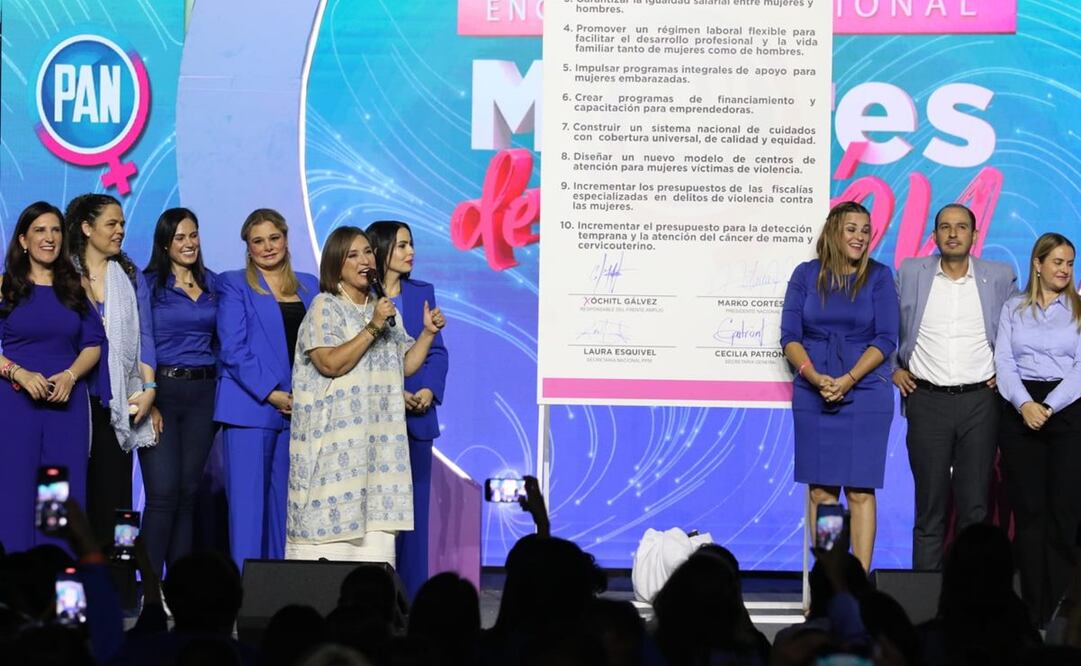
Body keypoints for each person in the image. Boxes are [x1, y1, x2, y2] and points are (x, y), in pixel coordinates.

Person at [285, 226, 446, 566]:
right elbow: (329, 363)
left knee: (374, 565)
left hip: (378, 456)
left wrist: (428, 335)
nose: (363, 260)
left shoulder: (384, 309)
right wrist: (372, 327)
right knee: (326, 567)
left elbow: (405, 364)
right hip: (334, 456)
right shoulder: (324, 306)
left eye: (367, 253)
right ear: (335, 264)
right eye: (352, 255)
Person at [892, 203, 1017, 571]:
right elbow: (884, 324)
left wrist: (1006, 372)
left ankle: (972, 598)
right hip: (926, 399)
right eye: (945, 227)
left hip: (981, 400)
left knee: (974, 508)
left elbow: (1016, 331)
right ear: (934, 236)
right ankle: (925, 603)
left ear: (975, 236)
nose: (952, 233)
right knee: (929, 509)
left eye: (961, 227)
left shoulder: (999, 276)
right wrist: (893, 368)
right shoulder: (911, 272)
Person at [780, 200, 899, 571]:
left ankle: (859, 585)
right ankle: (830, 579)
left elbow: (886, 338)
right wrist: (815, 378)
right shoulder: (805, 275)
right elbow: (789, 337)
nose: (860, 237)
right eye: (852, 229)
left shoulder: (879, 277)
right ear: (834, 231)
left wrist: (848, 380)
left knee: (861, 490)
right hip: (814, 392)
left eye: (866, 230)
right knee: (823, 492)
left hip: (865, 393)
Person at [215, 208, 318, 568]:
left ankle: (276, 596)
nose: (268, 247)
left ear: (286, 239)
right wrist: (273, 392)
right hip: (251, 409)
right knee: (248, 512)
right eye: (258, 241)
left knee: (285, 512)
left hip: (301, 410)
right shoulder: (234, 283)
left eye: (274, 238)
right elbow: (233, 347)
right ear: (248, 247)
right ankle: (245, 599)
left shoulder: (310, 285)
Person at [0, 202, 104, 553]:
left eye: (56, 230)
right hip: (15, 405)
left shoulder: (73, 285)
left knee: (58, 499)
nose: (50, 237)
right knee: (14, 491)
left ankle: (61, 593)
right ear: (23, 240)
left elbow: (93, 344)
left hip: (65, 406)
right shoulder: (6, 287)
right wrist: (17, 372)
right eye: (40, 230)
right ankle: (13, 595)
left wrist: (71, 376)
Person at [995, 232, 1081, 625]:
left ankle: (1062, 609)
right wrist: (1025, 404)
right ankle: (1032, 610)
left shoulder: (1079, 310)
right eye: (1058, 262)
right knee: (1029, 514)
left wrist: (1047, 405)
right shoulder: (1013, 309)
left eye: (1069, 263)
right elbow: (1005, 363)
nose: (1064, 270)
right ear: (1038, 264)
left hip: (1067, 411)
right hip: (1020, 411)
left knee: (1064, 513)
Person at [65, 193, 157, 545]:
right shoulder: (64, 276)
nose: (120, 231)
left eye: (122, 224)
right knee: (76, 495)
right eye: (111, 224)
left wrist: (148, 391)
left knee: (118, 500)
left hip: (118, 403)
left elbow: (146, 338)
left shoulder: (131, 277)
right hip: (73, 401)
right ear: (87, 228)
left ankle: (120, 581)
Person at [364, 220, 449, 599]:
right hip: (376, 419)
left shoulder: (422, 293)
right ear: (381, 249)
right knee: (377, 517)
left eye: (411, 244)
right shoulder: (359, 296)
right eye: (401, 245)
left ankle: (413, 599)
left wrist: (428, 389)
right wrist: (393, 392)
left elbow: (437, 352)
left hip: (417, 420)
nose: (410, 252)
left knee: (414, 517)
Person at [140, 207, 219, 578]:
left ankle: (179, 590)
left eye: (193, 235)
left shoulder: (215, 285)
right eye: (179, 237)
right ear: (165, 243)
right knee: (162, 495)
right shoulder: (148, 285)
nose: (188, 243)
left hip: (204, 394)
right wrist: (148, 396)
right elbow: (138, 344)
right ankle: (149, 588)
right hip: (163, 392)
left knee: (188, 496)